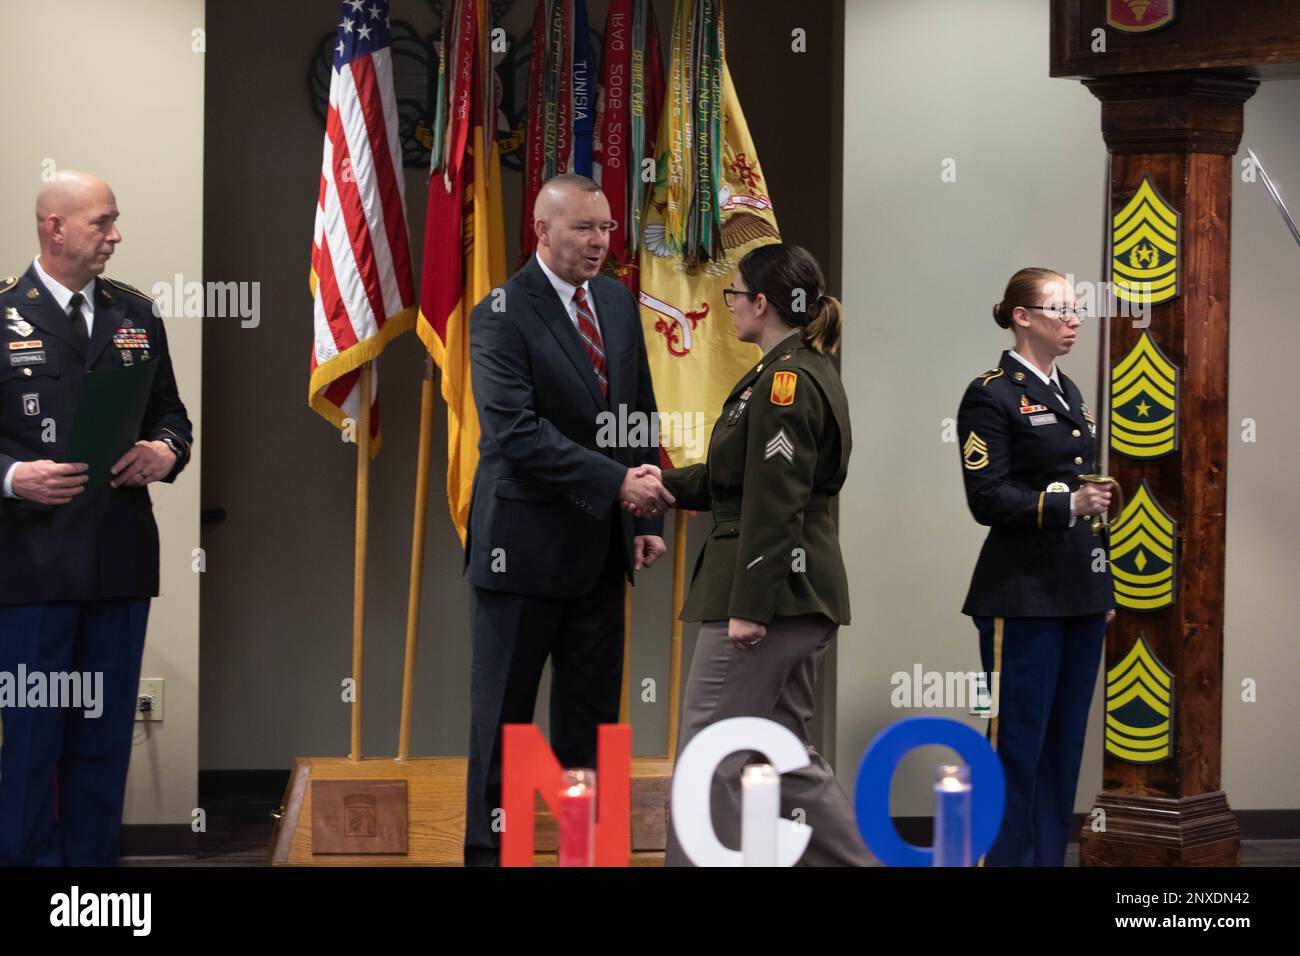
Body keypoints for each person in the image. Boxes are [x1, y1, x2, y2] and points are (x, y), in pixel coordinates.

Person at [629, 243, 871, 867]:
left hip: (765, 595)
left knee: (711, 752)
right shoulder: (790, 370)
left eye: (735, 293)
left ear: (762, 303)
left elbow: (775, 501)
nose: (729, 304)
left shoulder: (787, 381)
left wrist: (751, 608)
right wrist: (666, 482)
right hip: (797, 593)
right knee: (783, 753)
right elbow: (735, 478)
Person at [463, 173, 673, 866]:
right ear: (541, 229)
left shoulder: (614, 301)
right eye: (584, 228)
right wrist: (618, 483)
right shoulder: (499, 311)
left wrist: (646, 521)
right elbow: (515, 436)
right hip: (519, 556)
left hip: (600, 553)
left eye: (606, 228)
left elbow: (635, 409)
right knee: (504, 726)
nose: (599, 242)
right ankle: (491, 856)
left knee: (592, 728)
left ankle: (588, 854)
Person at [0, 170, 193, 866]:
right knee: (30, 740)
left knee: (102, 737)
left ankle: (88, 888)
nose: (115, 235)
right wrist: (15, 476)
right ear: (54, 226)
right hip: (31, 569)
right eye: (101, 222)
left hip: (118, 560)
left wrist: (163, 452)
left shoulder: (136, 313)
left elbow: (173, 416)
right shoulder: (3, 314)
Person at [956, 266, 1115, 867]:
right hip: (1020, 595)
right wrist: (1066, 504)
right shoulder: (990, 393)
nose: (1073, 318)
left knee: (1062, 750)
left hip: (1077, 591)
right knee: (1015, 747)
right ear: (1023, 317)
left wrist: (1102, 582)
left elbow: (1090, 497)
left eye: (1076, 309)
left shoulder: (1068, 392)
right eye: (1060, 308)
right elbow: (986, 497)